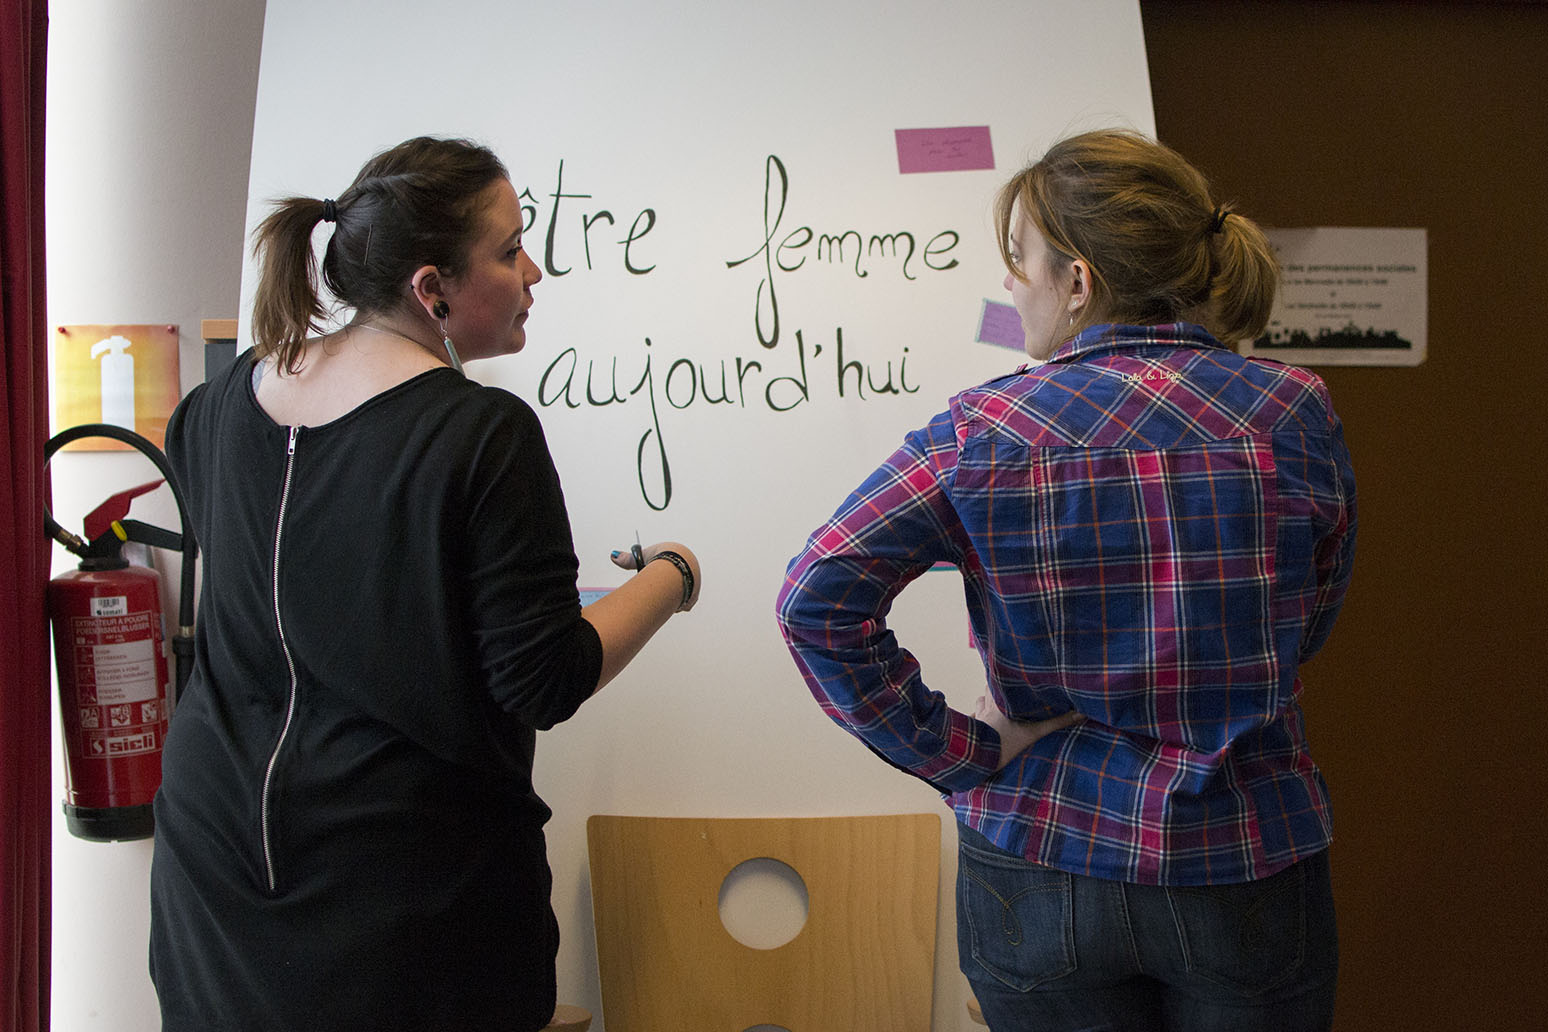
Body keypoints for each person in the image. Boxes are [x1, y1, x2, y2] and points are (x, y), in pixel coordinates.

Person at [776, 128, 1354, 1032]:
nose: (1009, 287)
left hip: (1040, 859)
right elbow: (1306, 618)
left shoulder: (982, 429)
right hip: (1244, 853)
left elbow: (815, 601)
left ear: (1079, 283)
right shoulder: (1293, 410)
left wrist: (957, 752)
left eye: (1019, 263)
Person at [149, 135, 701, 1032]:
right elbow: (545, 678)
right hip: (405, 910)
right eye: (510, 248)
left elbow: (316, 600)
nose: (534, 271)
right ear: (431, 288)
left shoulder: (217, 406)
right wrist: (675, 576)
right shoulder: (481, 435)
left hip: (215, 888)